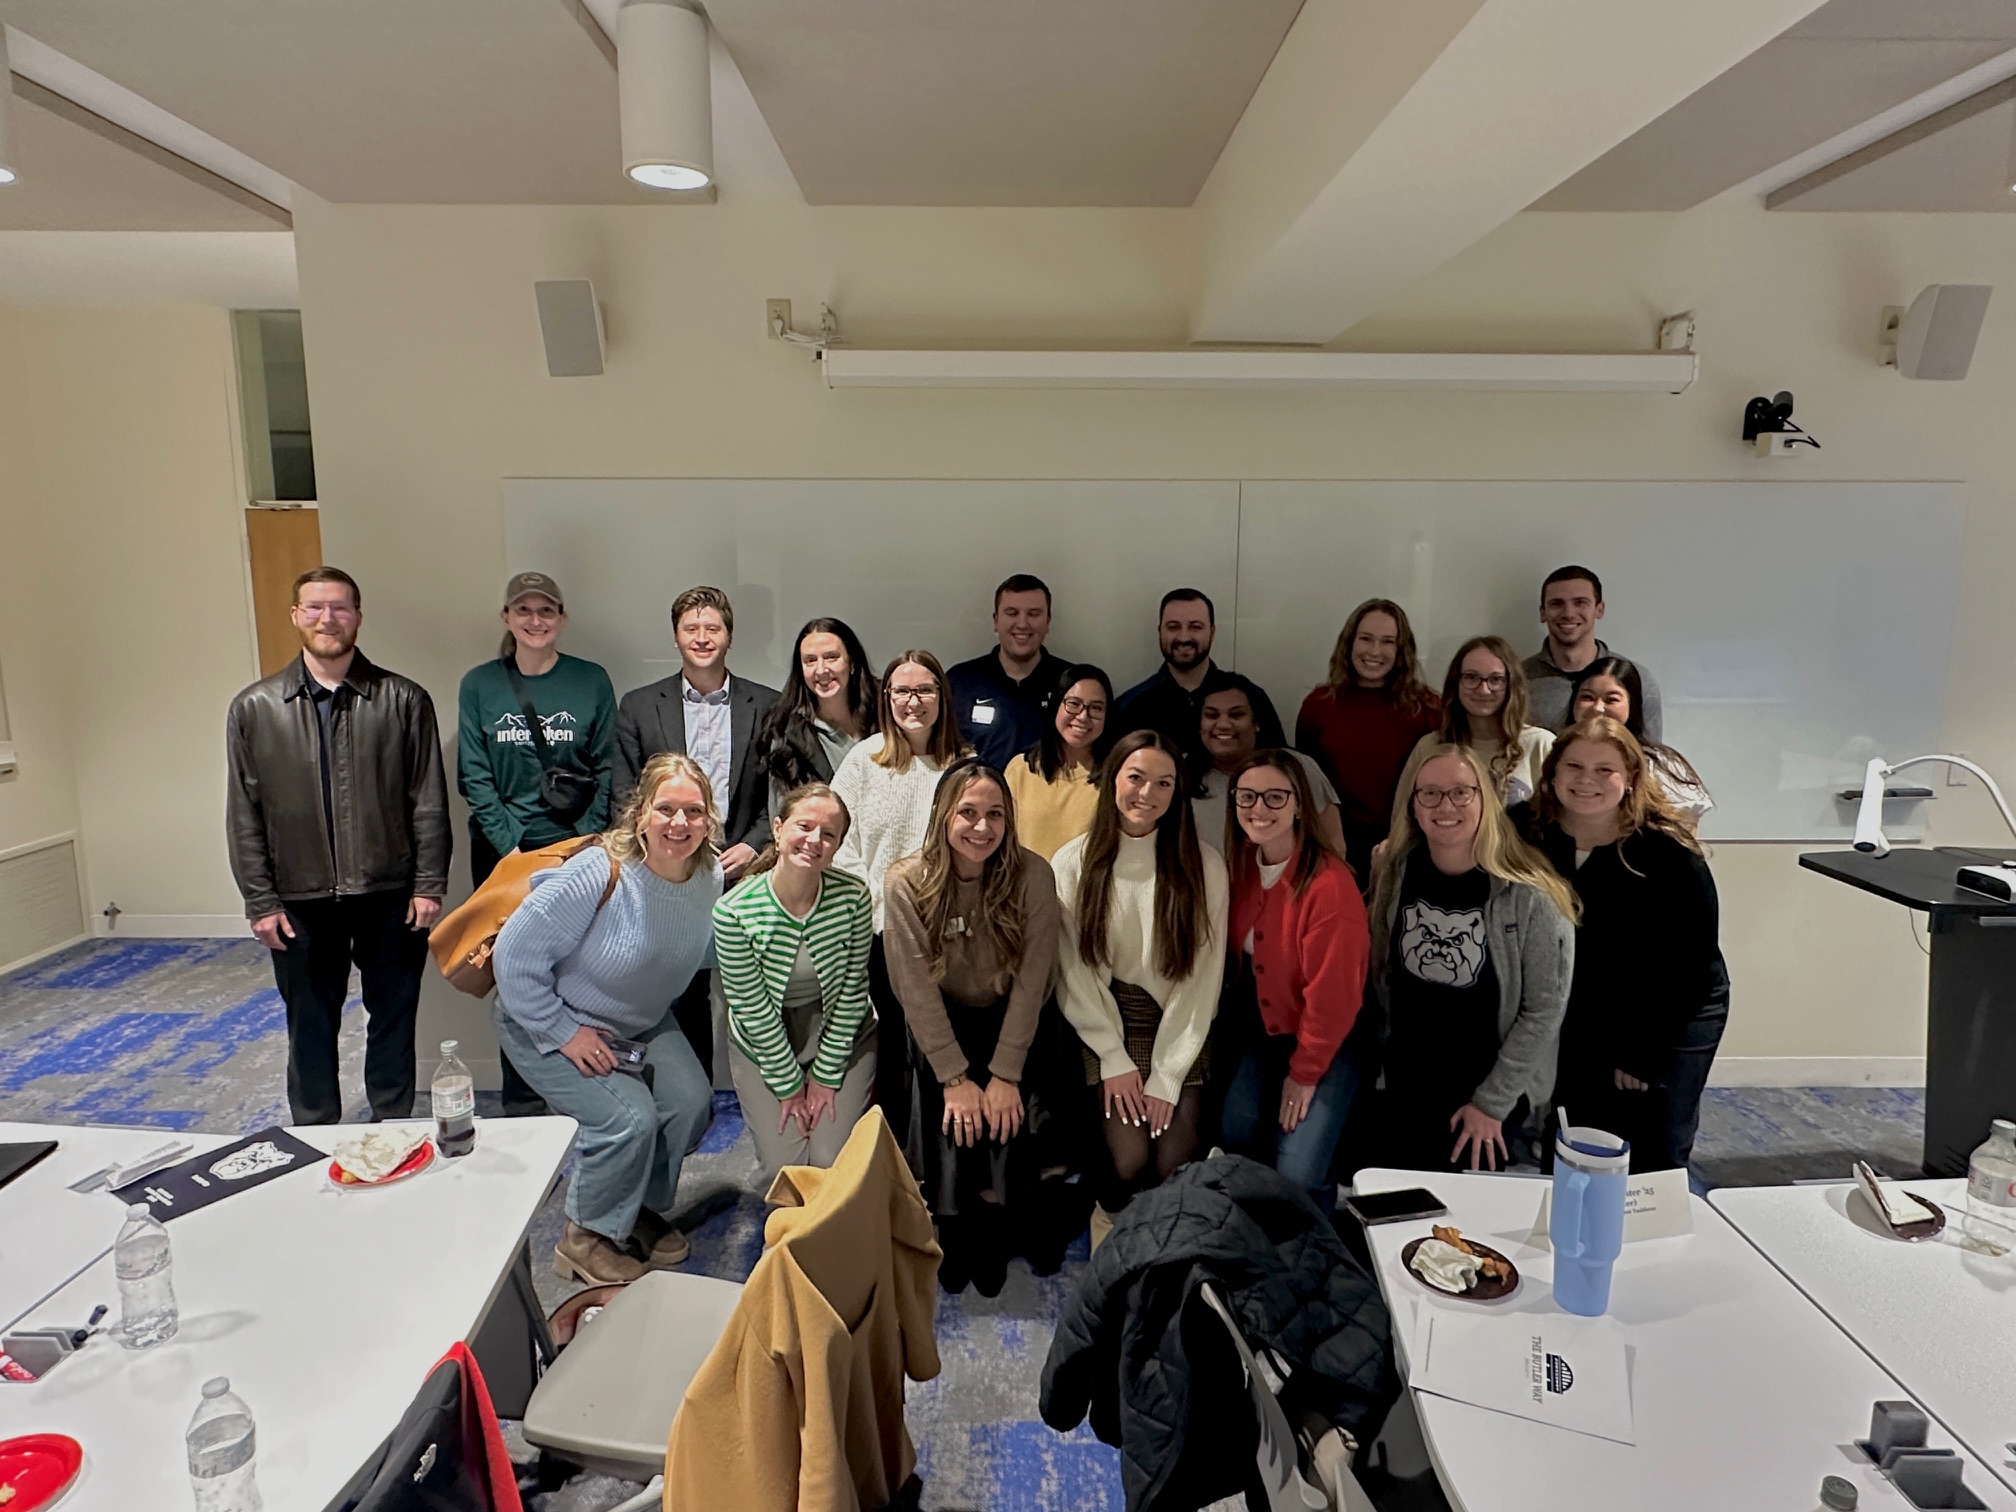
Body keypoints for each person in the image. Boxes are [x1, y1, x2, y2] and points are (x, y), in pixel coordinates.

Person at [225, 567, 449, 1126]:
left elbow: (428, 799)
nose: (328, 619)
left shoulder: (403, 699)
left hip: (389, 892)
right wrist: (260, 900)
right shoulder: (255, 708)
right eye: (316, 607)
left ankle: (394, 1120)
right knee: (309, 1021)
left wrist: (428, 885)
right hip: (298, 898)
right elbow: (244, 815)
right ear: (297, 615)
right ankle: (315, 1127)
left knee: (394, 1015)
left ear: (358, 616)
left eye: (341, 608)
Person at [492, 752, 720, 1284]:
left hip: (637, 1019)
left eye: (694, 811)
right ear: (640, 813)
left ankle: (631, 1206)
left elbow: (698, 949)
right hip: (545, 1017)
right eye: (666, 809)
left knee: (689, 1103)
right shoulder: (600, 872)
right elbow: (514, 961)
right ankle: (584, 1237)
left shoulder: (707, 877)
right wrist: (563, 1031)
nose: (680, 824)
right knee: (627, 1120)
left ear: (710, 819)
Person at [1515, 717, 1729, 1172]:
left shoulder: (1670, 857)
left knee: (1652, 1149)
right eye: (1573, 766)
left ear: (1631, 778)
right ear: (1551, 773)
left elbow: (1688, 969)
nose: (1586, 780)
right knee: (1572, 1140)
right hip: (1584, 1005)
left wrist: (1641, 1055)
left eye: (1604, 770)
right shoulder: (1525, 833)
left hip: (1671, 1012)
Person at [883, 760, 1062, 1295]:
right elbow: (913, 988)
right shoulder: (905, 881)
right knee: (951, 1118)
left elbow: (1036, 979)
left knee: (1006, 1118)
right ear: (942, 814)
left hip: (1014, 1017)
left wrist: (1005, 1072)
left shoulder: (1034, 875)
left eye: (994, 815)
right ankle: (951, 1221)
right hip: (941, 1019)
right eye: (967, 813)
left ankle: (993, 1219)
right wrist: (955, 1079)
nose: (981, 828)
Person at [1369, 745, 1578, 1172]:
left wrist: (1492, 1103)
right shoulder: (1398, 868)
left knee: (1465, 1224)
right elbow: (1385, 971)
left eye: (1461, 792)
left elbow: (1543, 1010)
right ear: (1412, 805)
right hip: (1406, 1080)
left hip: (1484, 1092)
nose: (1445, 806)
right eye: (1429, 793)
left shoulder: (1532, 896)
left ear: (1486, 799)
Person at [457, 570, 617, 1118]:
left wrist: (586, 845)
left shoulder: (590, 680)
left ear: (561, 618)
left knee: (578, 971)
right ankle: (523, 1099)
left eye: (545, 611)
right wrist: (511, 848)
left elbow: (608, 767)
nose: (535, 620)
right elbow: (474, 776)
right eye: (523, 611)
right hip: (504, 856)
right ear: (507, 618)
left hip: (578, 854)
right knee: (510, 973)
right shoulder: (479, 684)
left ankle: (582, 1091)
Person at [1053, 731, 1228, 1216]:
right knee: (1128, 1161)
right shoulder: (1072, 862)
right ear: (1112, 780)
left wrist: (1167, 1074)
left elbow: (1202, 980)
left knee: (1173, 1162)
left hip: (1181, 1022)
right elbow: (1073, 973)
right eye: (1136, 778)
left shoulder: (1203, 865)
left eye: (1163, 783)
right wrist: (1113, 1058)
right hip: (1108, 1018)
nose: (1147, 794)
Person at [1216, 752, 1370, 1211]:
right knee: (1235, 1129)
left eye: (1274, 797)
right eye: (1247, 797)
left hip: (1328, 1038)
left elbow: (1334, 999)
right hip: (1264, 1031)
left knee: (1299, 1170)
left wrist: (1303, 1076)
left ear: (1300, 805)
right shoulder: (1240, 864)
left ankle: (1313, 1242)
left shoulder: (1328, 884)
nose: (1258, 809)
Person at [831, 650, 972, 1141]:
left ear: (942, 697)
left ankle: (942, 1157)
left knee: (943, 1049)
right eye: (902, 691)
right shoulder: (863, 760)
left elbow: (977, 849)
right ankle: (892, 1162)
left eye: (925, 690)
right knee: (893, 1054)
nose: (913, 701)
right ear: (887, 697)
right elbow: (837, 844)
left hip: (949, 935)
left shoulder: (965, 765)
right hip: (878, 934)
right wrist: (878, 903)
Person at [713, 784, 876, 1184]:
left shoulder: (853, 897)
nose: (814, 840)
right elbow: (751, 1010)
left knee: (828, 1161)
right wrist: (789, 1086)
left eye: (828, 834)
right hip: (764, 1039)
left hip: (840, 1032)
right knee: (785, 1171)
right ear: (778, 828)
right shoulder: (733, 911)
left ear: (837, 845)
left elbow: (853, 994)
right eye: (804, 826)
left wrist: (824, 1077)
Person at [614, 586, 780, 883]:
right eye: (691, 629)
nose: (702, 639)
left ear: (729, 638)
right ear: (676, 638)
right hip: (662, 866)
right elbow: (624, 794)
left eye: (712, 629)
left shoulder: (769, 706)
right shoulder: (639, 707)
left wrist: (753, 847)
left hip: (742, 872)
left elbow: (779, 792)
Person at [1295, 598, 1442, 882]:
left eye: (1388, 642)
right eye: (1366, 639)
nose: (1375, 651)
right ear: (1349, 642)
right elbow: (1309, 787)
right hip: (1336, 851)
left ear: (1401, 650)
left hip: (1409, 847)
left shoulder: (1429, 708)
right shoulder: (1318, 706)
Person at [1192, 669, 1345, 861]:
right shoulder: (1179, 774)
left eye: (1236, 715)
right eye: (1212, 716)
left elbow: (1332, 842)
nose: (1223, 724)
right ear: (1199, 725)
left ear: (1256, 722)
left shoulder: (1297, 767)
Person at [1112, 588, 1283, 747]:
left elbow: (1280, 767)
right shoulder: (1130, 708)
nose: (1184, 637)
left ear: (1212, 632)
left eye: (1195, 627)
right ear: (1160, 631)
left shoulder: (1251, 699)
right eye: (1173, 627)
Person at [1400, 636, 1554, 810]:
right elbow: (1403, 820)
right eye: (1471, 677)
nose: (1483, 689)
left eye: (1495, 679)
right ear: (1455, 683)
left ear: (1511, 685)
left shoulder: (1541, 745)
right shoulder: (1430, 747)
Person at [1522, 565, 1665, 740]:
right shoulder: (1519, 680)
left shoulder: (1637, 679)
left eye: (1580, 602)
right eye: (1557, 604)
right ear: (1542, 613)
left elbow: (1650, 756)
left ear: (1599, 609)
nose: (1568, 613)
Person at [757, 617, 878, 816]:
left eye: (831, 657)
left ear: (852, 662)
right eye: (810, 660)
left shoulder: (887, 718)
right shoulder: (786, 734)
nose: (821, 670)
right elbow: (784, 815)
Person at [1570, 656, 1712, 826]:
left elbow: (1684, 840)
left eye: (1611, 700)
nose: (1598, 708)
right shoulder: (1549, 755)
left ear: (1632, 704)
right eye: (1587, 697)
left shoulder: (1660, 767)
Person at [947, 574, 1064, 769]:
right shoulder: (959, 683)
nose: (1022, 623)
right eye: (1012, 613)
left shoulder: (1071, 684)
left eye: (1033, 614)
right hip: (977, 797)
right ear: (995, 620)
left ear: (1048, 621)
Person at [1003, 662, 1113, 861]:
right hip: (1026, 889)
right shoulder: (1020, 770)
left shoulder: (1115, 777)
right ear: (1056, 705)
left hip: (1086, 890)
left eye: (1096, 708)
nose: (1083, 716)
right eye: (1073, 703)